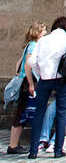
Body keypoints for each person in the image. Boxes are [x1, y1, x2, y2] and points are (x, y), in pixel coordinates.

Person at [27, 16, 66, 159]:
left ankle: (33, 150)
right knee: (61, 112)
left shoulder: (44, 40)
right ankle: (58, 149)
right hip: (62, 79)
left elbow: (32, 61)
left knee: (39, 112)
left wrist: (40, 74)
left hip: (45, 79)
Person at [6, 21, 46, 155]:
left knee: (21, 113)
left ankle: (14, 144)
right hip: (27, 82)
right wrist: (30, 83)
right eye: (43, 30)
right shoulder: (34, 46)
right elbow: (27, 66)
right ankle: (13, 145)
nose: (45, 33)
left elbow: (18, 64)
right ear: (37, 32)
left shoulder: (29, 45)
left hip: (24, 80)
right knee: (21, 113)